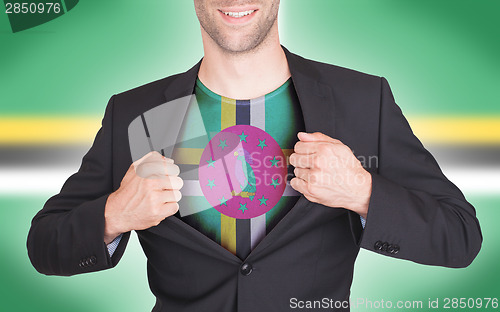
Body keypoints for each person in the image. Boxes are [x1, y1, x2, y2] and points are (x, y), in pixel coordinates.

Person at [27, 1, 482, 311]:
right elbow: (45, 245)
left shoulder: (362, 100)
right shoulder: (135, 113)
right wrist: (114, 214)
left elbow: (460, 237)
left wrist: (363, 192)